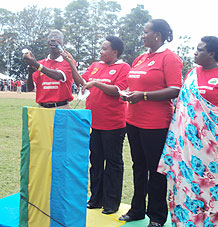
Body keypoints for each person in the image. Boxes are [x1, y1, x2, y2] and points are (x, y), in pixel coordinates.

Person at [157, 36, 218, 226]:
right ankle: (188, 220)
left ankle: (217, 220)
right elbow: (183, 107)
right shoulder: (191, 74)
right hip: (188, 147)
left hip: (214, 144)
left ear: (211, 54)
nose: (195, 53)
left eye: (200, 49)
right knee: (188, 184)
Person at [118, 19, 183, 227]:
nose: (142, 35)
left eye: (146, 32)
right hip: (133, 120)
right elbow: (134, 84)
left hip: (155, 124)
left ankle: (156, 216)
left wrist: (143, 95)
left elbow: (175, 90)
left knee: (156, 171)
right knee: (138, 166)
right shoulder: (140, 59)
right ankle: (137, 209)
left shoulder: (169, 58)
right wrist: (128, 94)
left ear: (158, 35)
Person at [62, 36, 131, 214]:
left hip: (113, 124)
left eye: (104, 48)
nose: (100, 51)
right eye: (100, 48)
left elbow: (118, 92)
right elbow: (81, 83)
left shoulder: (123, 67)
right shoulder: (95, 66)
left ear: (114, 52)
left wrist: (96, 83)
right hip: (93, 123)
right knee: (96, 161)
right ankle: (96, 199)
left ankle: (111, 203)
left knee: (113, 162)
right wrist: (72, 65)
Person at [23, 29, 74, 109]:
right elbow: (30, 88)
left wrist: (36, 65)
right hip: (42, 108)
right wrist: (30, 72)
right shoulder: (41, 63)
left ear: (63, 43)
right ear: (48, 42)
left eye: (57, 37)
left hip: (61, 107)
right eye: (51, 37)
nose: (53, 39)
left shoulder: (68, 62)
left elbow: (58, 76)